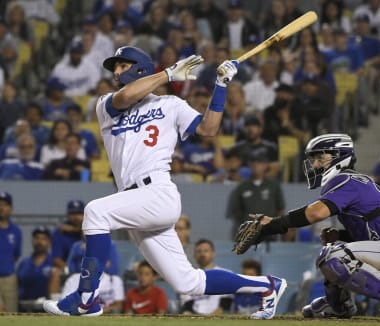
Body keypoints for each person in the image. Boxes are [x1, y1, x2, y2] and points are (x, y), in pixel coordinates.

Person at [42, 46, 286, 320]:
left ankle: (86, 299)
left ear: (140, 69)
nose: (116, 71)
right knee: (188, 283)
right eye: (115, 67)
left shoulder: (170, 105)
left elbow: (209, 129)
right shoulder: (106, 103)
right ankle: (268, 286)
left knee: (95, 212)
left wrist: (220, 85)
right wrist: (168, 74)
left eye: (123, 66)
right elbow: (127, 96)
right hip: (134, 200)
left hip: (157, 192)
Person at [248, 133, 380, 320]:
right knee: (333, 250)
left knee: (333, 256)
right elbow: (376, 227)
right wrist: (342, 234)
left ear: (340, 156)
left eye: (321, 158)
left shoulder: (346, 179)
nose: (315, 164)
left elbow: (315, 213)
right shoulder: (354, 180)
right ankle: (339, 306)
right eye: (314, 159)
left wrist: (274, 225)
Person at [180, 239, 233, 315]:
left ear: (213, 253)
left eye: (206, 251)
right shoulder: (189, 277)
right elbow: (187, 305)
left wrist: (210, 318)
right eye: (199, 251)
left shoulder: (225, 274)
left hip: (219, 319)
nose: (202, 254)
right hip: (195, 319)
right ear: (194, 255)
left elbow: (226, 303)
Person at [16, 226, 53, 312]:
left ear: (49, 242)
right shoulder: (23, 263)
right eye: (36, 238)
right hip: (24, 308)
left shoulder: (53, 263)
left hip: (47, 309)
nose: (39, 242)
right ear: (32, 240)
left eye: (43, 239)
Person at [0, 192, 22, 312]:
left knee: (11, 312)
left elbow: (16, 255)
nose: (1, 207)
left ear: (11, 208)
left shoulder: (16, 231)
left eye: (4, 204)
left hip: (9, 278)